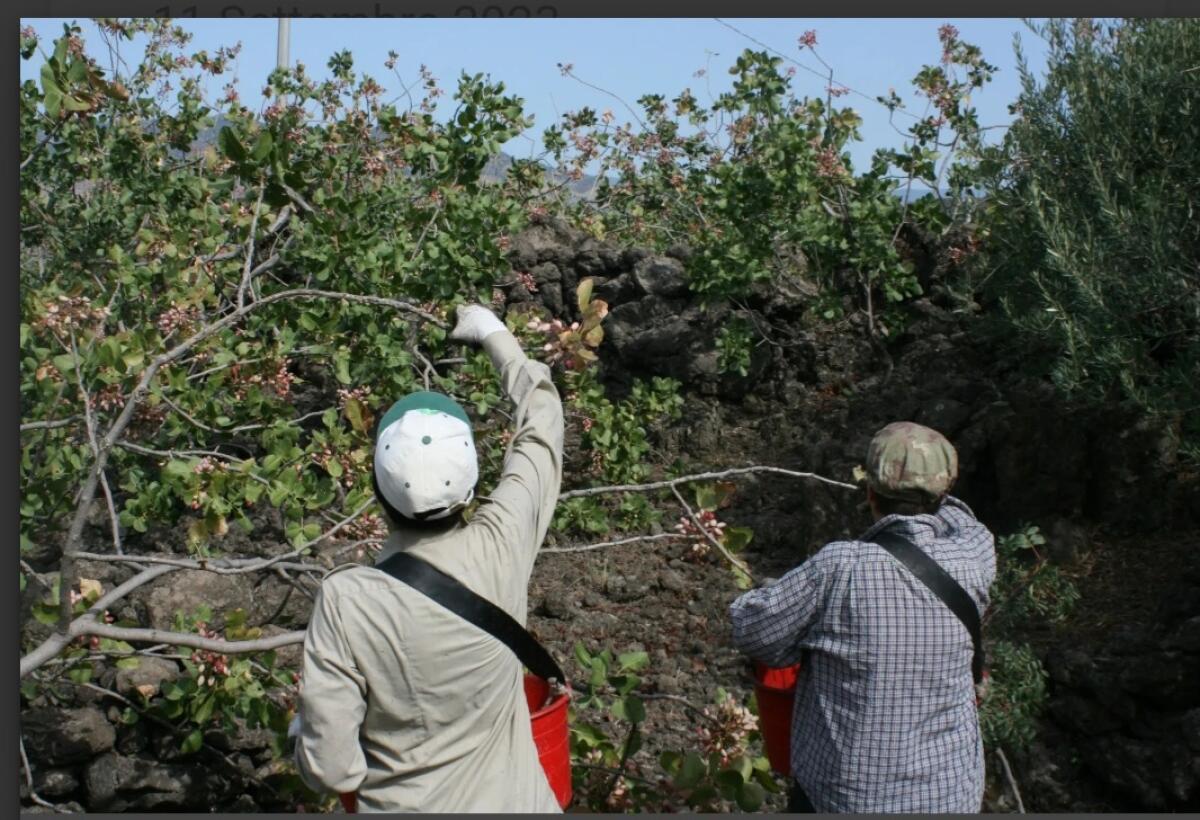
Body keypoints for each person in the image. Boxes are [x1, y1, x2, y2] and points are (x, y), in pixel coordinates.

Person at [290, 304, 564, 813]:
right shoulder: (504, 542)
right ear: (471, 486)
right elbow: (543, 424)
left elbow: (332, 770)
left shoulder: (346, 600)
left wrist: (302, 734)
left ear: (376, 486)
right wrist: (493, 334)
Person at [729, 421, 996, 813]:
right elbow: (962, 517)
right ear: (946, 490)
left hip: (847, 800)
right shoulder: (975, 553)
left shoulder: (840, 568)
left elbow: (753, 632)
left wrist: (764, 595)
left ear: (870, 493)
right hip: (950, 796)